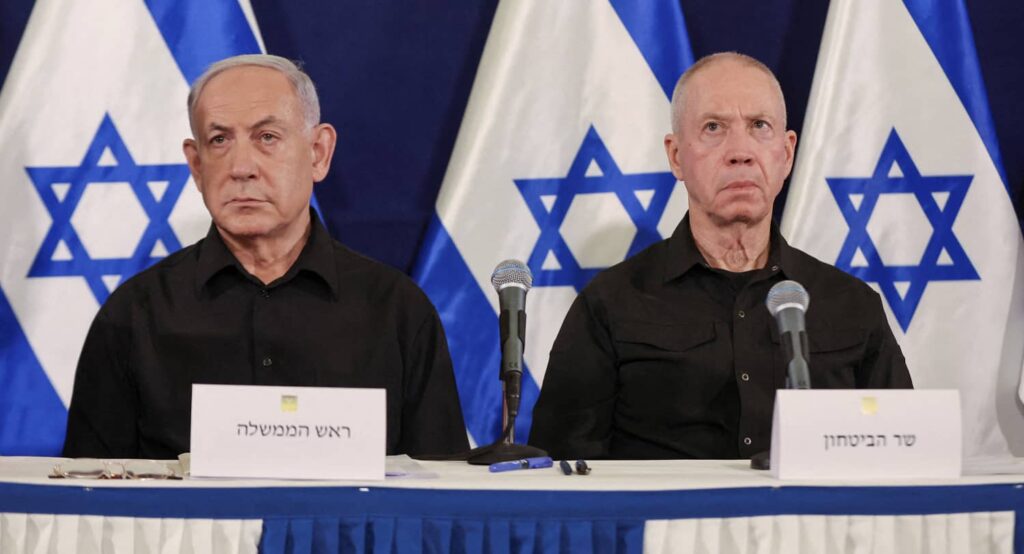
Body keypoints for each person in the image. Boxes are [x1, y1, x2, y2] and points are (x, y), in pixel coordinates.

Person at [62, 54, 468, 459]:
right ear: (197, 165)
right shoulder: (134, 316)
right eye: (219, 140)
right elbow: (91, 502)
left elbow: (442, 496)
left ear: (319, 153)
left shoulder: (396, 312)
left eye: (267, 137)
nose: (241, 167)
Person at [529, 52, 912, 460]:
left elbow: (903, 453)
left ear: (786, 154)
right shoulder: (610, 304)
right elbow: (561, 471)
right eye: (714, 127)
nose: (740, 151)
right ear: (676, 156)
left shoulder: (852, 304)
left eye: (759, 126)